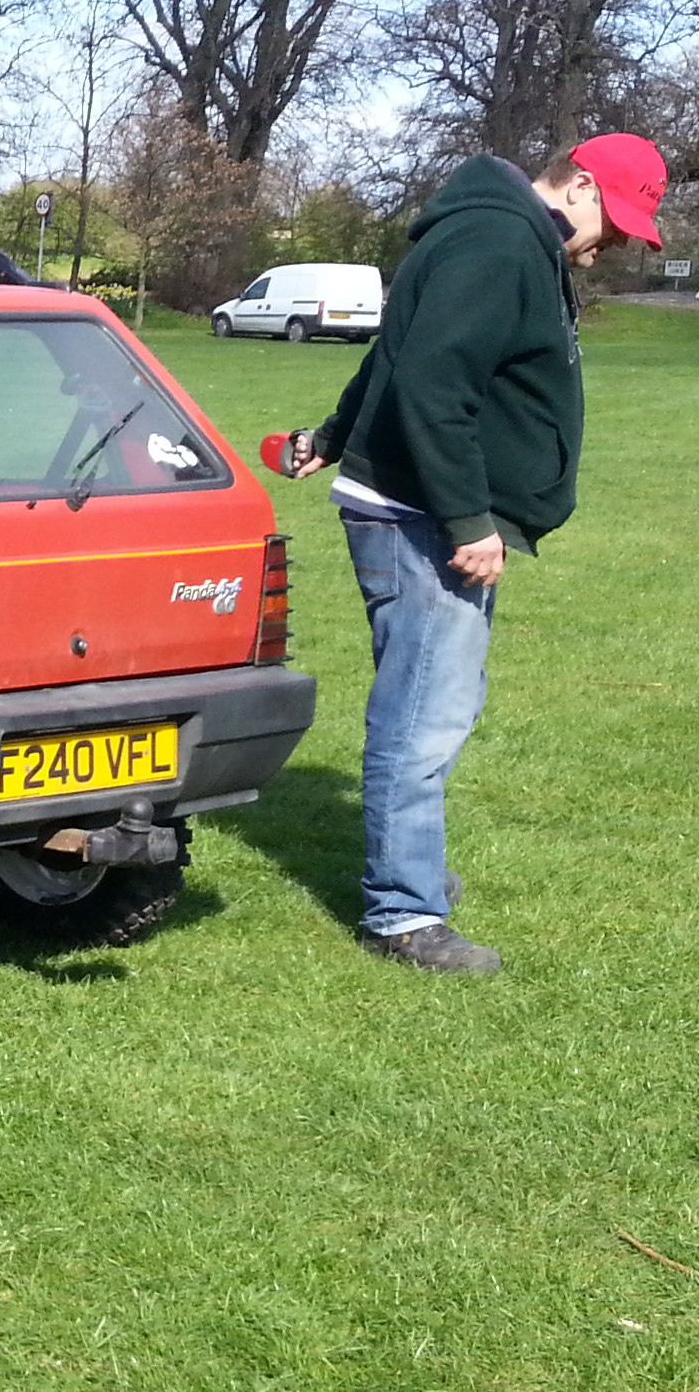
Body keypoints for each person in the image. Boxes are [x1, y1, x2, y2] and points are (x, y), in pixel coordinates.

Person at [278, 134, 665, 973]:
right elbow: (430, 382)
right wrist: (468, 520)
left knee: (434, 702)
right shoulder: (496, 241)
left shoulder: (497, 234)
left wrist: (335, 435)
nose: (616, 246)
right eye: (621, 224)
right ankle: (403, 915)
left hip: (420, 507)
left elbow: (396, 353)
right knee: (423, 713)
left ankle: (406, 867)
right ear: (583, 188)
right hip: (425, 515)